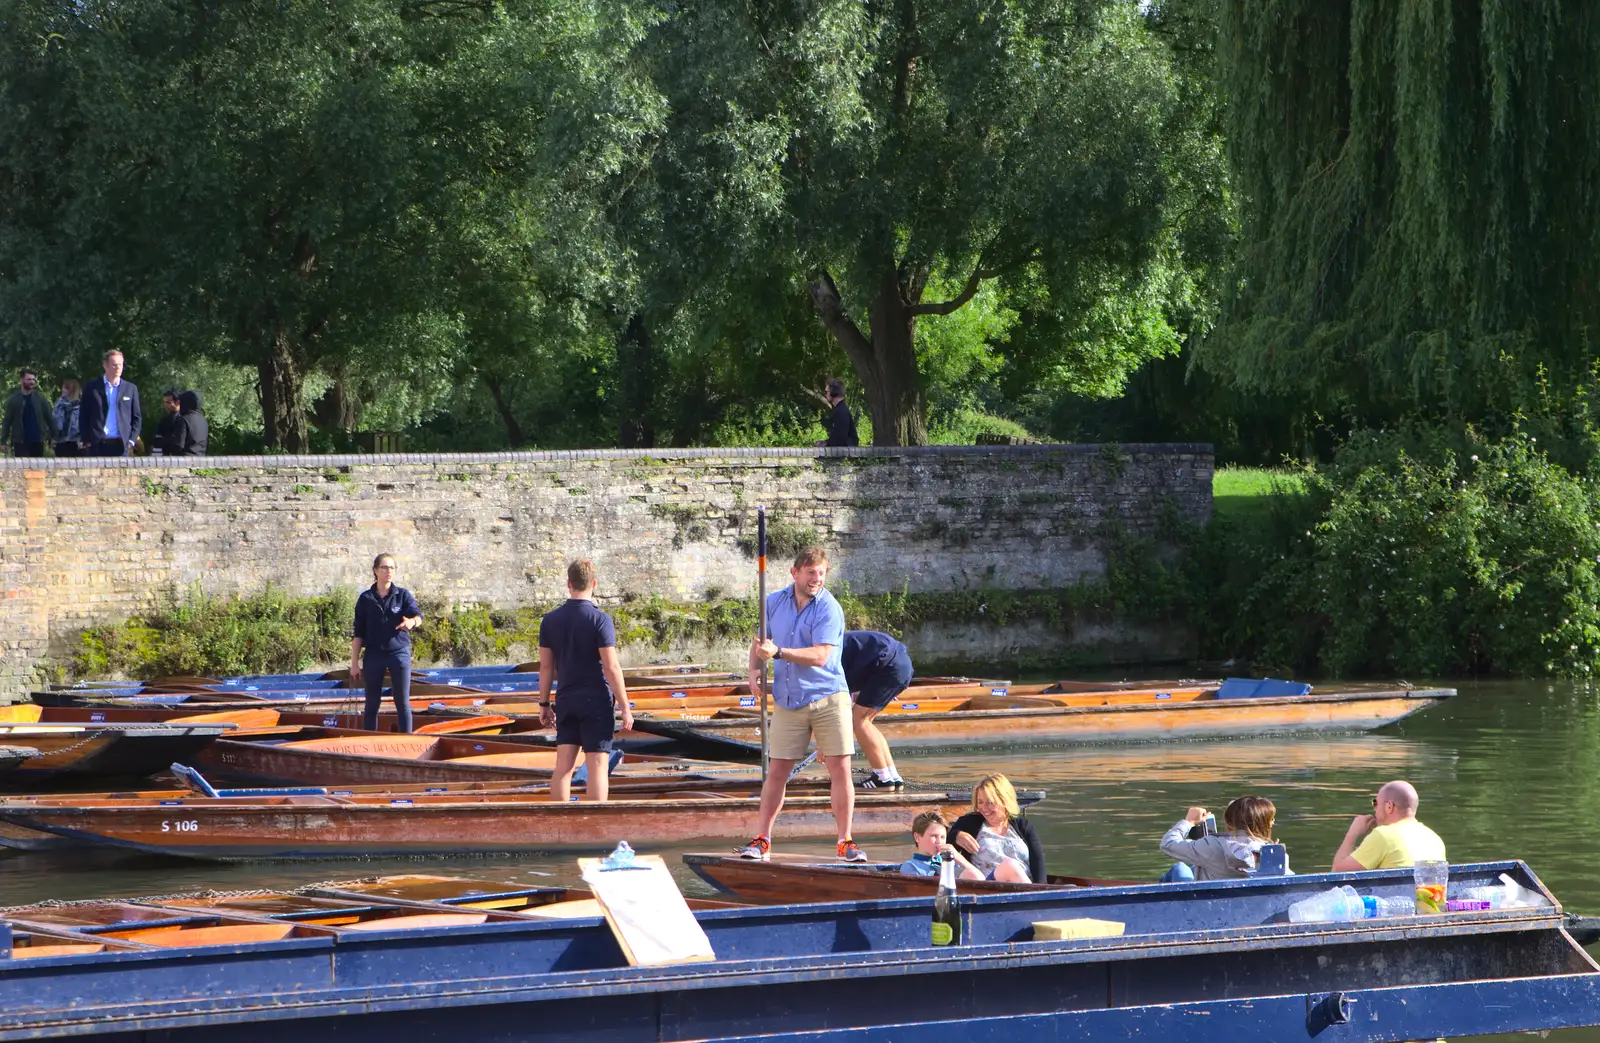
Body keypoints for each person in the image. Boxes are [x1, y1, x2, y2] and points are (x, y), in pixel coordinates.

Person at [738, 545, 864, 862]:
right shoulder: (773, 602)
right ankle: (762, 838)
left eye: (821, 573)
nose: (816, 579)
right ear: (794, 573)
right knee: (777, 770)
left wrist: (778, 653)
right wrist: (754, 668)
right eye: (811, 573)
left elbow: (821, 656)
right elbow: (760, 641)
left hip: (827, 696)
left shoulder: (829, 608)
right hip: (788, 698)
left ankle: (845, 840)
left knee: (840, 768)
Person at [536, 559, 634, 802]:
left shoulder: (549, 620)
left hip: (566, 698)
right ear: (594, 584)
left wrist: (544, 704)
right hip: (596, 701)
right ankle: (595, 829)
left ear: (569, 584)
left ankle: (560, 827)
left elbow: (546, 667)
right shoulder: (600, 620)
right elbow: (611, 667)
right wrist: (625, 705)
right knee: (598, 767)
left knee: (563, 768)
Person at [350, 552, 422, 733]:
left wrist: (411, 623)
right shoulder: (366, 599)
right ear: (375, 571)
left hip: (398, 652)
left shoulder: (402, 595)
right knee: (372, 703)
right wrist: (354, 664)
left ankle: (407, 741)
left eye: (392, 567)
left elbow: (418, 616)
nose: (388, 571)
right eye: (384, 567)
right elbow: (358, 632)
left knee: (402, 701)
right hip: (374, 654)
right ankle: (369, 742)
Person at [842, 629, 912, 790]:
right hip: (897, 666)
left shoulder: (826, 652)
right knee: (866, 721)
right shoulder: (835, 646)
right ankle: (892, 775)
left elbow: (837, 699)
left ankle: (882, 778)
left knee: (859, 720)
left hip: (889, 667)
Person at [948, 773, 1045, 883]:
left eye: (990, 802)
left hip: (1024, 885)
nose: (983, 808)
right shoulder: (969, 823)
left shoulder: (1024, 826)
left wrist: (1043, 888)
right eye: (980, 802)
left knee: (1011, 866)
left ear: (1004, 801)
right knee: (1010, 866)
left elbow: (1038, 864)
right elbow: (942, 846)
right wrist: (955, 835)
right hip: (989, 887)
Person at [1332, 779, 1446, 871]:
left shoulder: (1382, 835)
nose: (1374, 809)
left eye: (1375, 803)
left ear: (1389, 806)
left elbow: (1337, 875)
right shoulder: (1435, 839)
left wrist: (1352, 833)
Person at [1159, 796, 1280, 881]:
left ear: (1230, 822)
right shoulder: (1270, 852)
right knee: (1194, 867)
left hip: (1202, 905)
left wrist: (1189, 821)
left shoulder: (1211, 845)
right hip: (1241, 905)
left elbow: (1167, 844)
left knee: (1179, 867)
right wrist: (1274, 856)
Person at [78, 349, 141, 457]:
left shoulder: (130, 388)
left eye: (120, 365)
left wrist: (131, 440)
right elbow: (83, 415)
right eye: (114, 365)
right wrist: (86, 439)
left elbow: (136, 417)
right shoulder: (92, 387)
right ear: (105, 365)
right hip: (98, 444)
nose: (118, 368)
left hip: (121, 445)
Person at [900, 810, 982, 880]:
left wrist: (957, 856)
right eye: (934, 836)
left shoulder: (951, 862)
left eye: (943, 837)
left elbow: (978, 878)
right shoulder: (910, 866)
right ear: (917, 837)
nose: (939, 842)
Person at [2, 368, 55, 458]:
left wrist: (54, 436)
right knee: (23, 468)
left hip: (38, 440)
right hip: (20, 441)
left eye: (34, 379)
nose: (32, 382)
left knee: (37, 469)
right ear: (22, 380)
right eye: (29, 379)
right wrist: (3, 442)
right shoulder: (14, 400)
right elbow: (7, 421)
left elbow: (49, 418)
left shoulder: (40, 398)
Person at [820, 378, 858, 447]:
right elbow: (837, 436)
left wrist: (827, 444)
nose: (825, 395)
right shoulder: (840, 409)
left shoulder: (841, 411)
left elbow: (840, 439)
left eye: (826, 392)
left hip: (848, 452)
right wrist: (826, 442)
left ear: (833, 392)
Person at [52, 379, 81, 457]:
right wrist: (53, 437)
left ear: (73, 390)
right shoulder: (59, 404)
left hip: (75, 441)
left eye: (66, 388)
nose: (63, 390)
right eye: (63, 387)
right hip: (61, 441)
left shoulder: (80, 406)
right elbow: (54, 420)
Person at [174, 390, 208, 456]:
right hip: (200, 460)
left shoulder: (184, 419)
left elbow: (179, 445)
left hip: (185, 460)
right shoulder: (203, 420)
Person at [154, 388, 183, 455]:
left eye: (168, 402)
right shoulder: (165, 420)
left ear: (177, 402)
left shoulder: (184, 419)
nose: (165, 405)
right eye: (164, 402)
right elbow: (157, 441)